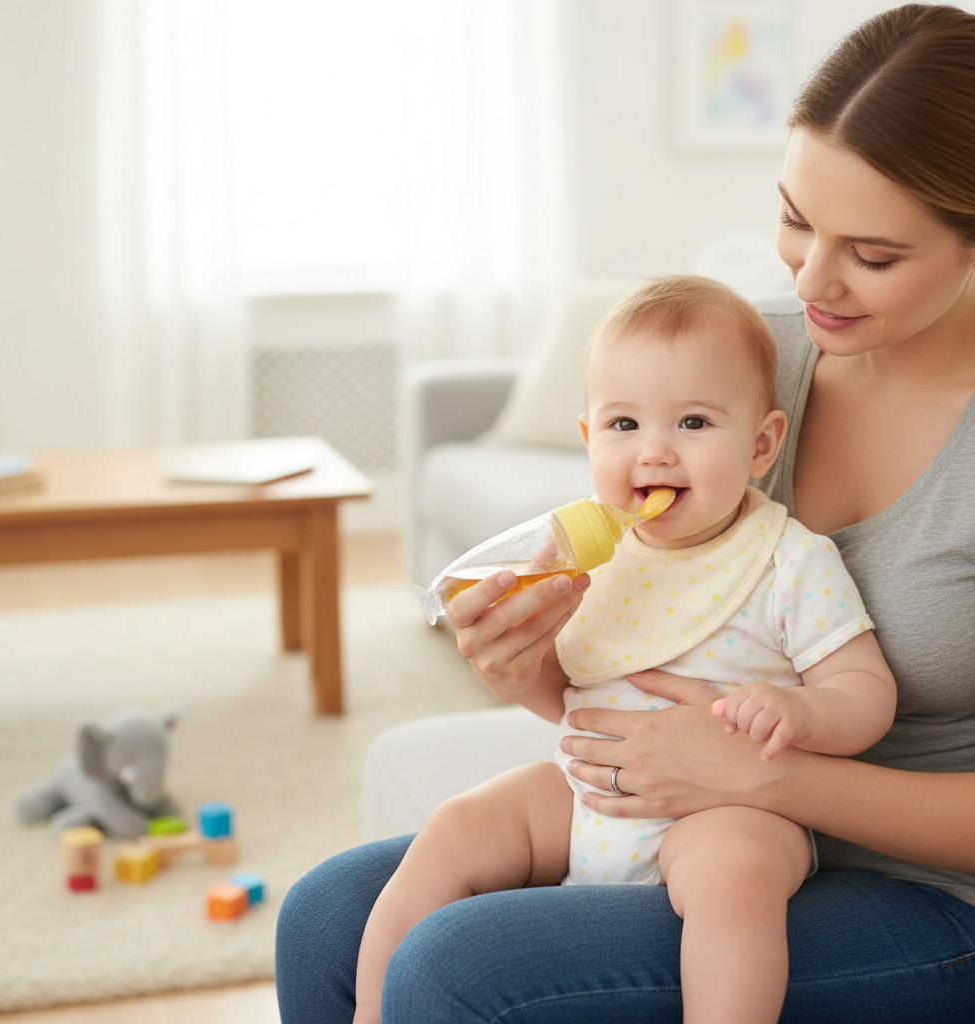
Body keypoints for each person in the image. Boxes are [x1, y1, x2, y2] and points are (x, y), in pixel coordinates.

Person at [275, 6, 975, 1021]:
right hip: (683, 815)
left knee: (455, 970)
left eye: (871, 253)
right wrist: (532, 669)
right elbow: (660, 663)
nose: (811, 277)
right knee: (325, 915)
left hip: (925, 890)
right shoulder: (746, 358)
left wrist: (766, 780)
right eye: (795, 219)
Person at [351, 276, 897, 1024]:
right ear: (588, 439)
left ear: (761, 444)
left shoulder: (786, 559)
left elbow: (866, 691)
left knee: (734, 874)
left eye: (694, 422)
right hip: (590, 800)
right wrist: (518, 666)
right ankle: (372, 1012)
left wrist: (801, 712)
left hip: (729, 809)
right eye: (624, 424)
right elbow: (577, 693)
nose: (655, 451)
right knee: (457, 825)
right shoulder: (593, 562)